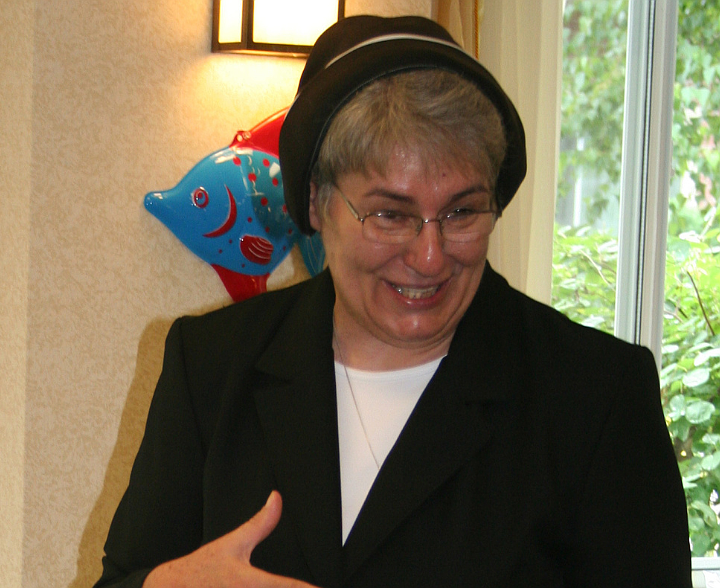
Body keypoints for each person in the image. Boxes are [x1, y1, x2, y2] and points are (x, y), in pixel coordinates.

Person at [94, 15, 692, 588]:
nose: (430, 256)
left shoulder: (592, 393)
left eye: (461, 212)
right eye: (390, 214)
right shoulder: (212, 368)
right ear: (315, 204)